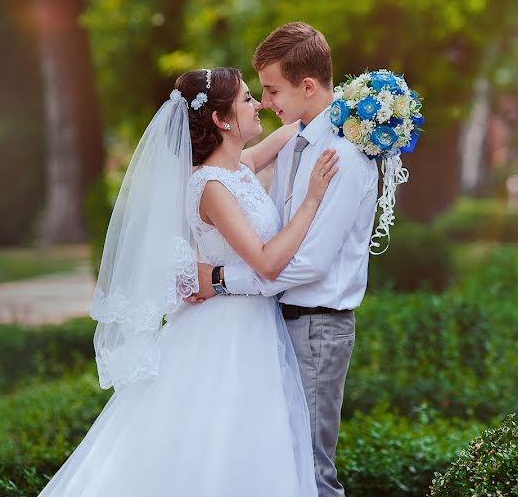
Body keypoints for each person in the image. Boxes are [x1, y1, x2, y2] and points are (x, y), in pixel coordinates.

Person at [38, 67, 339, 497]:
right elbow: (267, 263)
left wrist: (351, 107)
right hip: (227, 333)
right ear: (221, 120)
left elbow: (291, 128)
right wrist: (312, 199)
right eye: (248, 99)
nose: (260, 105)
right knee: (218, 444)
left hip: (252, 323)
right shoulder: (212, 186)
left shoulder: (239, 168)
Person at [188, 22, 379, 497]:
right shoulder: (298, 143)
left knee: (311, 472)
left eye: (271, 90)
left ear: (307, 86)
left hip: (316, 325)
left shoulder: (341, 156)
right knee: (277, 468)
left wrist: (219, 279)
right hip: (278, 323)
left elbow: (307, 264)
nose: (265, 101)